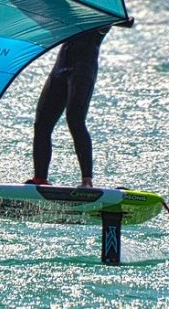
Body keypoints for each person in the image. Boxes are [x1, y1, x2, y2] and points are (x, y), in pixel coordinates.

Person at [25, 26, 111, 188]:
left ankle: (87, 181)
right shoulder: (75, 12)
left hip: (83, 70)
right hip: (60, 68)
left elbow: (113, 17)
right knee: (41, 124)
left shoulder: (102, 18)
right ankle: (40, 179)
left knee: (75, 120)